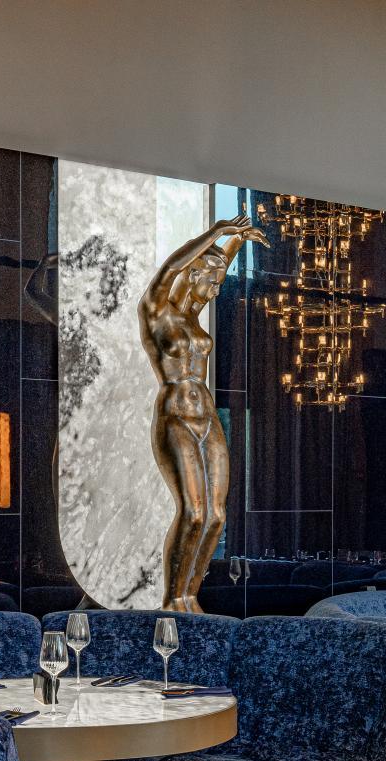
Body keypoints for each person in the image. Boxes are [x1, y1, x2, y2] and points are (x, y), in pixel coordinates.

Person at [139, 213, 269, 612]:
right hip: (176, 416)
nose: (215, 289)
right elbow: (169, 270)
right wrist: (216, 232)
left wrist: (238, 242)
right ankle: (172, 598)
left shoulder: (194, 316)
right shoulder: (155, 310)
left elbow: (218, 263)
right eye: (211, 281)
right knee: (193, 512)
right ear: (192, 273)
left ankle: (190, 595)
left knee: (216, 516)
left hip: (208, 417)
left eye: (219, 282)